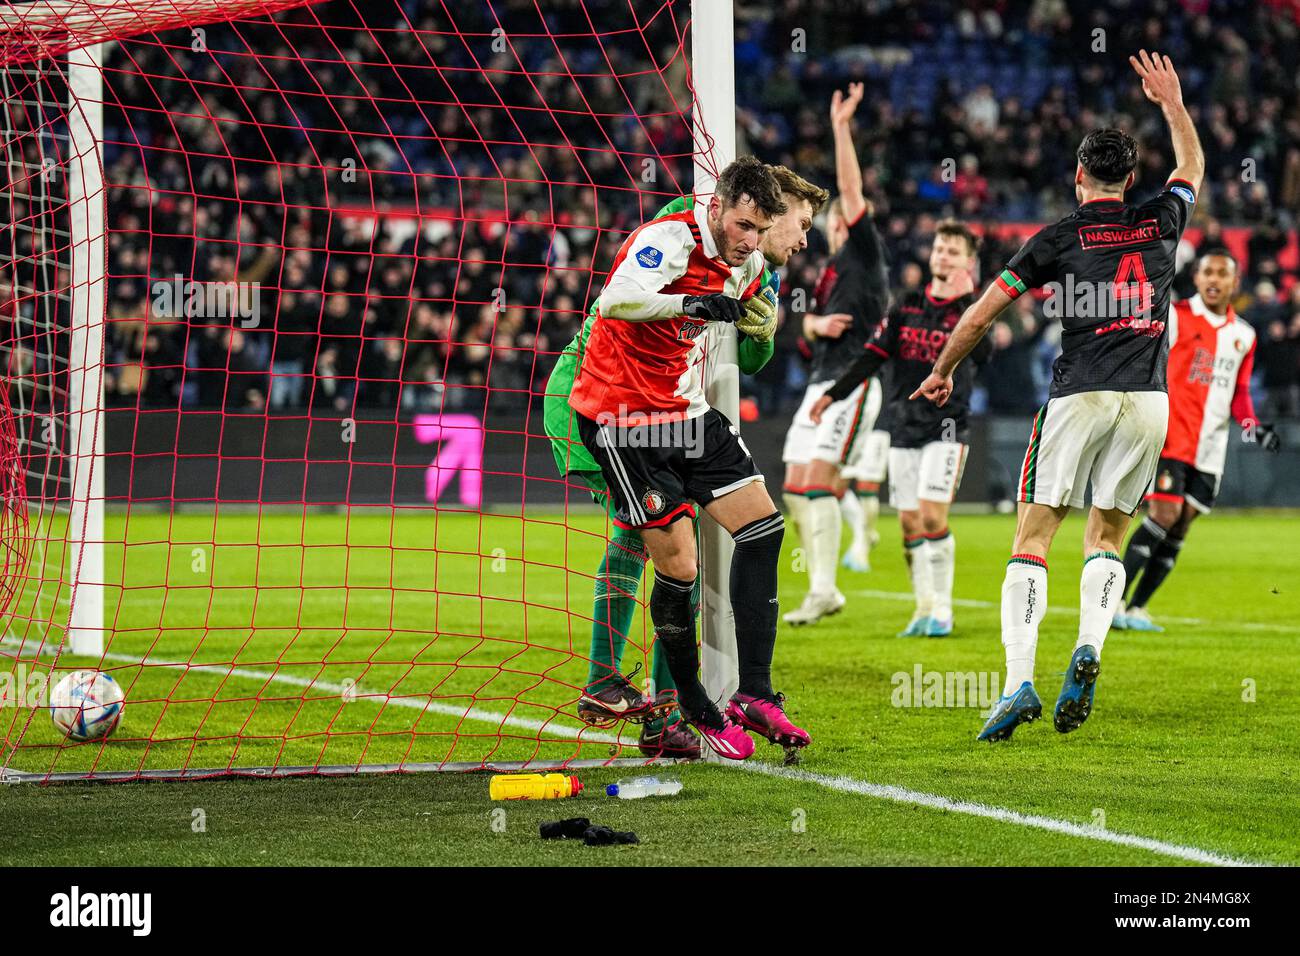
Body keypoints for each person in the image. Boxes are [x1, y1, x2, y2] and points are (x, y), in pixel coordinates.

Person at [911, 50, 1204, 740]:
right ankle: (1090, 648)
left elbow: (982, 312)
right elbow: (1191, 168)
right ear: (1132, 179)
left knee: (1034, 536)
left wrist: (944, 368)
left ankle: (1017, 684)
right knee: (1108, 534)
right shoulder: (1161, 220)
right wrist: (1172, 103)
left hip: (1081, 396)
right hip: (1149, 402)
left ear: (1079, 175)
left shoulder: (1057, 239)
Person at [544, 165, 828, 757]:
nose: (799, 239)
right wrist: (696, 300)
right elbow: (618, 298)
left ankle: (717, 701)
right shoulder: (678, 231)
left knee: (738, 534)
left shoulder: (752, 267)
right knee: (653, 549)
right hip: (610, 406)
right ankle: (631, 695)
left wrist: (764, 325)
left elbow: (754, 352)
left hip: (679, 410)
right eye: (798, 225)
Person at [812, 221, 988, 637]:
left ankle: (943, 609)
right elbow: (872, 356)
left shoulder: (974, 312)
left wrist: (967, 299)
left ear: (968, 261)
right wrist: (832, 394)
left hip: (947, 427)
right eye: (939, 248)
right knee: (909, 523)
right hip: (902, 423)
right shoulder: (906, 305)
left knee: (931, 516)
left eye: (953, 251)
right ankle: (923, 607)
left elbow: (989, 353)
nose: (943, 256)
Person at [1114, 249, 1281, 631]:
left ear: (1235, 283)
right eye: (1208, 271)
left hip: (1210, 448)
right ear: (1197, 276)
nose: (1214, 279)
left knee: (1181, 525)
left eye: (1222, 273)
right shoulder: (1175, 315)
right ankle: (1114, 603)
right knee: (1163, 515)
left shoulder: (1244, 336)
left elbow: (1239, 394)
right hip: (1172, 435)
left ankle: (1137, 607)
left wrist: (1254, 427)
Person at [781, 83, 891, 625]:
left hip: (851, 383)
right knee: (795, 487)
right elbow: (802, 337)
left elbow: (851, 191)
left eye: (842, 215)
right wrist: (812, 322)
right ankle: (824, 584)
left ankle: (824, 587)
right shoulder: (826, 272)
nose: (836, 219)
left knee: (819, 481)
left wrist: (840, 127)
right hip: (820, 381)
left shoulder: (867, 258)